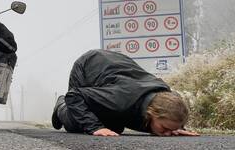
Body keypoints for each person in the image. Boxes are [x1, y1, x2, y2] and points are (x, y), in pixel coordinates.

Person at [51, 49, 199, 137]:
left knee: (114, 128)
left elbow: (171, 110)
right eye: (165, 128)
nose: (168, 134)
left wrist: (177, 127)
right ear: (152, 112)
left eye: (170, 130)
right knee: (79, 123)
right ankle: (60, 106)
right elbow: (75, 95)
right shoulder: (119, 99)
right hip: (87, 67)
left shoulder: (164, 95)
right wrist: (96, 127)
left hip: (117, 68)